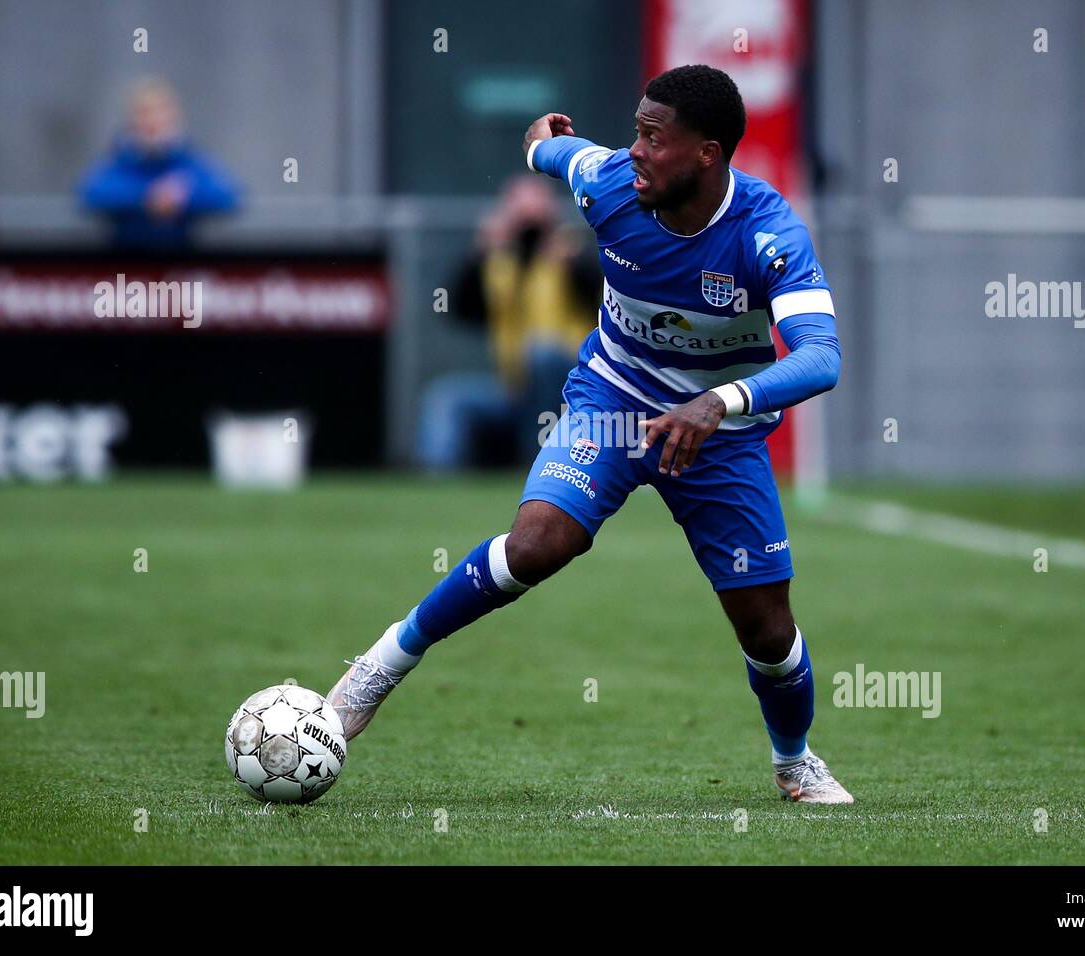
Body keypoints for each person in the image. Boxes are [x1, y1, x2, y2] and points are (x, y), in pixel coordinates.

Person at [329, 65, 851, 803]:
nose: (634, 150)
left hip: (718, 436)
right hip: (614, 398)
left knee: (768, 633)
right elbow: (546, 148)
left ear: (706, 153)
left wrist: (719, 403)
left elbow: (823, 357)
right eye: (633, 132)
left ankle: (794, 760)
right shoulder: (607, 183)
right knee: (538, 542)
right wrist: (543, 137)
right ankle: (378, 668)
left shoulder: (768, 235)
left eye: (652, 137)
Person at [418, 176, 599, 470]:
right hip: (515, 389)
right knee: (445, 397)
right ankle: (435, 486)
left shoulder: (573, 254)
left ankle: (538, 463)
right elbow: (452, 308)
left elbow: (606, 305)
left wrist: (575, 263)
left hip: (574, 390)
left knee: (540, 353)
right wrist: (477, 254)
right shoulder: (497, 261)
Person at [78, 78, 239, 249]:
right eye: (145, 113)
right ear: (132, 119)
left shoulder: (187, 158)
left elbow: (227, 195)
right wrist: (145, 197)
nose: (152, 120)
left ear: (173, 117)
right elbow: (90, 193)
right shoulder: (121, 158)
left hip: (178, 264)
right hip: (127, 262)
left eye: (159, 112)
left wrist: (182, 196)